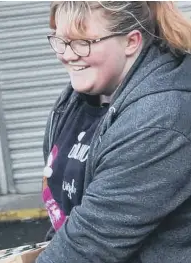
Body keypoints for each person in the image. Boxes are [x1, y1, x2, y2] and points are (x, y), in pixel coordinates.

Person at [38, 1, 191, 262]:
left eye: (82, 42)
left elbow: (92, 242)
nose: (67, 55)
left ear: (131, 42)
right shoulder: (78, 99)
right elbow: (67, 219)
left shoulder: (159, 119)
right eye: (61, 41)